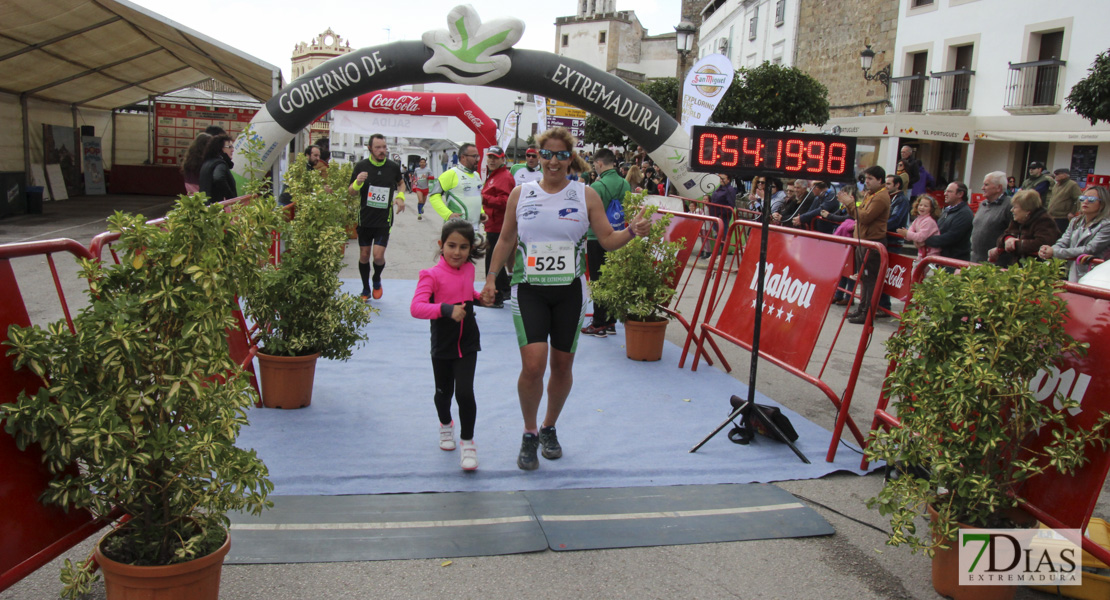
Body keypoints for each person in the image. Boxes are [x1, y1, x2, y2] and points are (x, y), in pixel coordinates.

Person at [480, 127, 651, 471]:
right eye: (547, 154)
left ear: (570, 158)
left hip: (569, 293)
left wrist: (632, 232)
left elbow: (606, 240)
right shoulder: (521, 193)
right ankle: (529, 433)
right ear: (538, 156)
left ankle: (549, 427)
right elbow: (506, 239)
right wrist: (489, 278)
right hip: (528, 289)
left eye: (561, 155)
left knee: (562, 366)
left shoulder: (585, 195)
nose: (553, 161)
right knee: (533, 364)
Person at [410, 220, 491, 471]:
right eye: (452, 246)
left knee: (465, 392)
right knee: (443, 392)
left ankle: (468, 442)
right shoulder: (431, 275)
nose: (457, 252)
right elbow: (416, 307)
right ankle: (446, 425)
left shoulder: (468, 269)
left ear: (470, 249)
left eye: (464, 247)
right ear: (441, 245)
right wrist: (446, 310)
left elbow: (467, 294)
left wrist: (480, 299)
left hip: (468, 339)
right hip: (443, 342)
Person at [349, 134, 407, 301]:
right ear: (370, 149)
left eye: (384, 147)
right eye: (378, 148)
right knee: (364, 255)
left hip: (383, 219)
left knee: (378, 256)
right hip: (365, 219)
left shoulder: (392, 167)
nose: (382, 151)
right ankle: (365, 288)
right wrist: (358, 183)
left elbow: (401, 183)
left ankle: (376, 279)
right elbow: (351, 192)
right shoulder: (361, 166)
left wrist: (400, 197)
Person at [581, 148, 631, 338]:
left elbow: (588, 214)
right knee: (612, 280)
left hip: (597, 237)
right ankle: (610, 321)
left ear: (600, 164)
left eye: (595, 164)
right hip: (620, 234)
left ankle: (599, 322)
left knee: (598, 280)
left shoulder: (597, 186)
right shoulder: (625, 183)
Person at [838, 166, 891, 325]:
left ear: (880, 180)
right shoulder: (871, 195)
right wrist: (849, 205)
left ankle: (867, 311)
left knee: (870, 280)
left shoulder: (880, 197)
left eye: (870, 179)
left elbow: (865, 217)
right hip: (864, 241)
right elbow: (857, 213)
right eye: (866, 179)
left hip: (873, 242)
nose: (866, 182)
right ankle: (862, 309)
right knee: (864, 278)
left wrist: (850, 203)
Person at [1039, 186, 1110, 281]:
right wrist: (1049, 250)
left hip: (1093, 275)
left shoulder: (1106, 225)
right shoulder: (1075, 221)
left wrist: (1055, 252)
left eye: (1092, 199)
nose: (1086, 201)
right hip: (1071, 271)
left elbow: (1090, 249)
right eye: (1082, 198)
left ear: (1102, 203)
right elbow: (1063, 241)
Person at [988, 190, 1059, 267]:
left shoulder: (1044, 221)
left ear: (1027, 210)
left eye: (1015, 207)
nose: (1012, 210)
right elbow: (1003, 237)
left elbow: (1041, 244)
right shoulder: (1017, 220)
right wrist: (1008, 239)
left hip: (1037, 268)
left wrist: (1015, 245)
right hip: (1019, 267)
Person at [481, 146, 514, 308]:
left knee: (493, 261)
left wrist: (484, 198)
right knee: (494, 260)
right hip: (492, 224)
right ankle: (503, 291)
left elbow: (506, 202)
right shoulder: (495, 175)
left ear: (503, 159)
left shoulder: (505, 177)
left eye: (495, 158)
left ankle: (497, 296)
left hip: (499, 225)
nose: (492, 160)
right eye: (490, 157)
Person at [428, 143, 486, 230]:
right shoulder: (451, 174)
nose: (477, 159)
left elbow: (476, 197)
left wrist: (481, 212)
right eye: (474, 156)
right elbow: (434, 196)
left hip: (475, 229)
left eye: (478, 156)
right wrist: (448, 214)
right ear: (463, 157)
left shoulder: (476, 175)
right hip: (456, 229)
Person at [924, 182, 975, 262]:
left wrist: (925, 240)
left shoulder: (964, 213)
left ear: (960, 194)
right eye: (945, 191)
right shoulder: (947, 210)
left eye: (949, 191)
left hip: (954, 261)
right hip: (942, 258)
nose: (945, 194)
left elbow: (951, 237)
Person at [969, 171, 1013, 263]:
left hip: (996, 264)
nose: (982, 188)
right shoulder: (982, 204)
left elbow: (1013, 232)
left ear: (999, 188)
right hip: (975, 260)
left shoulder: (1009, 206)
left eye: (986, 185)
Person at [699, 173, 736, 259]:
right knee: (717, 234)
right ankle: (718, 253)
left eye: (723, 179)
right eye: (720, 179)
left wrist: (721, 212)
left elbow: (731, 205)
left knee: (722, 234)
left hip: (722, 216)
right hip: (715, 214)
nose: (721, 180)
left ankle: (721, 254)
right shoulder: (719, 188)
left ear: (728, 180)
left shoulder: (730, 190)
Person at [898, 195, 942, 262]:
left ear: (931, 209)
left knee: (919, 271)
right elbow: (910, 232)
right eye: (920, 205)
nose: (922, 207)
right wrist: (907, 234)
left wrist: (907, 234)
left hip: (931, 253)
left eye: (926, 206)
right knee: (915, 270)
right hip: (922, 252)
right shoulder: (917, 219)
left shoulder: (929, 221)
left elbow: (921, 237)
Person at [197, 134, 237, 204]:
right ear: (221, 148)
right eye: (230, 147)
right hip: (215, 208)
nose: (233, 150)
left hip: (204, 205)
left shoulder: (207, 162)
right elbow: (219, 178)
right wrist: (230, 198)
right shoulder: (220, 164)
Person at [1046, 168, 1082, 232]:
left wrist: (1072, 212)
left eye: (1057, 174)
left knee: (1059, 234)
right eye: (1054, 174)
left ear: (1065, 175)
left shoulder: (1072, 185)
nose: (1055, 176)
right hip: (1052, 216)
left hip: (1063, 217)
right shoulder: (1056, 185)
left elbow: (1078, 199)